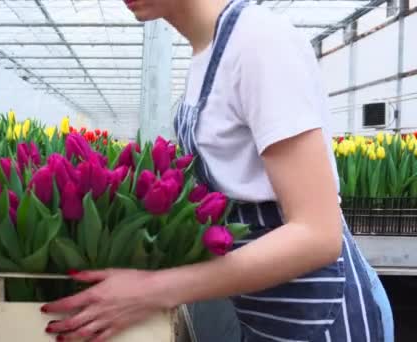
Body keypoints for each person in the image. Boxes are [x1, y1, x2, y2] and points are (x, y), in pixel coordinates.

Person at [42, 0, 394, 341]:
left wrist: (153, 290)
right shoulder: (206, 53)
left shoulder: (258, 42)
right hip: (268, 316)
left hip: (326, 319)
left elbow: (318, 235)